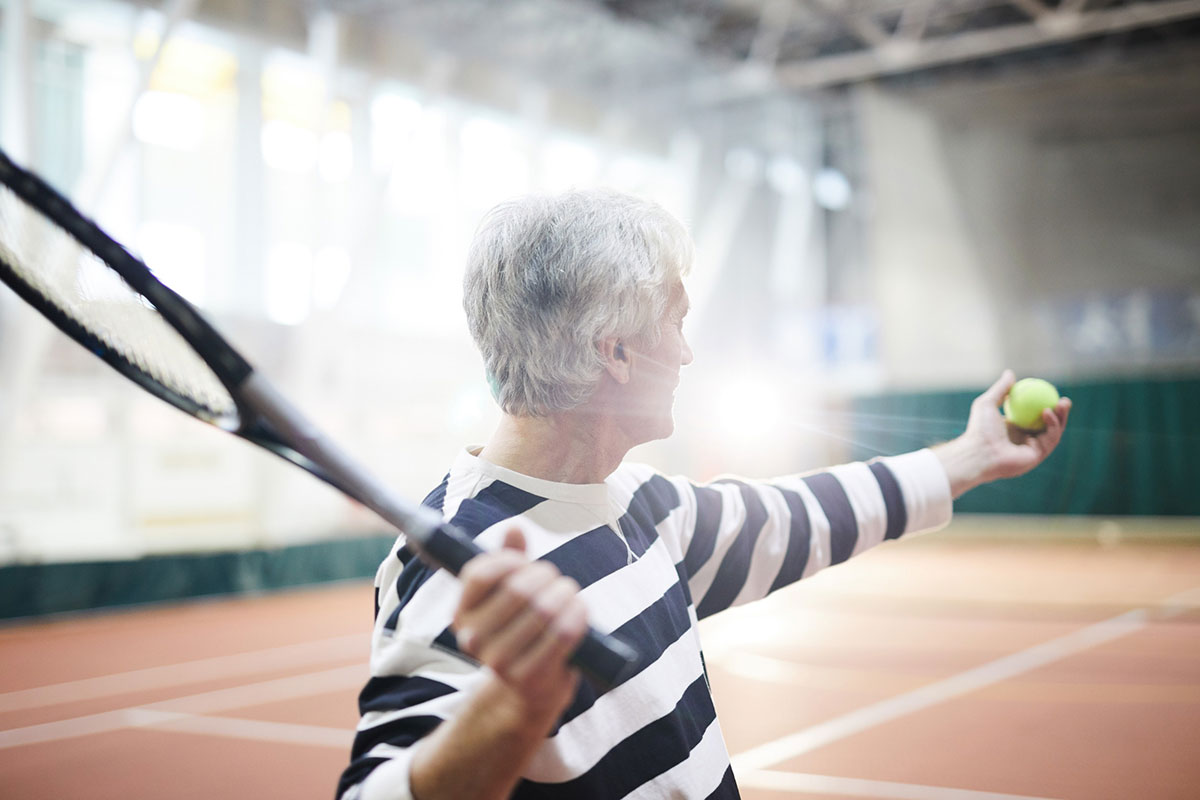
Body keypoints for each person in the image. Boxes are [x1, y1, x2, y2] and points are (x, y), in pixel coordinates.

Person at [335, 189, 1071, 800]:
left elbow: (806, 516)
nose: (687, 352)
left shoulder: (644, 506)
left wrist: (972, 456)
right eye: (676, 323)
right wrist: (510, 711)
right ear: (614, 351)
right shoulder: (457, 564)